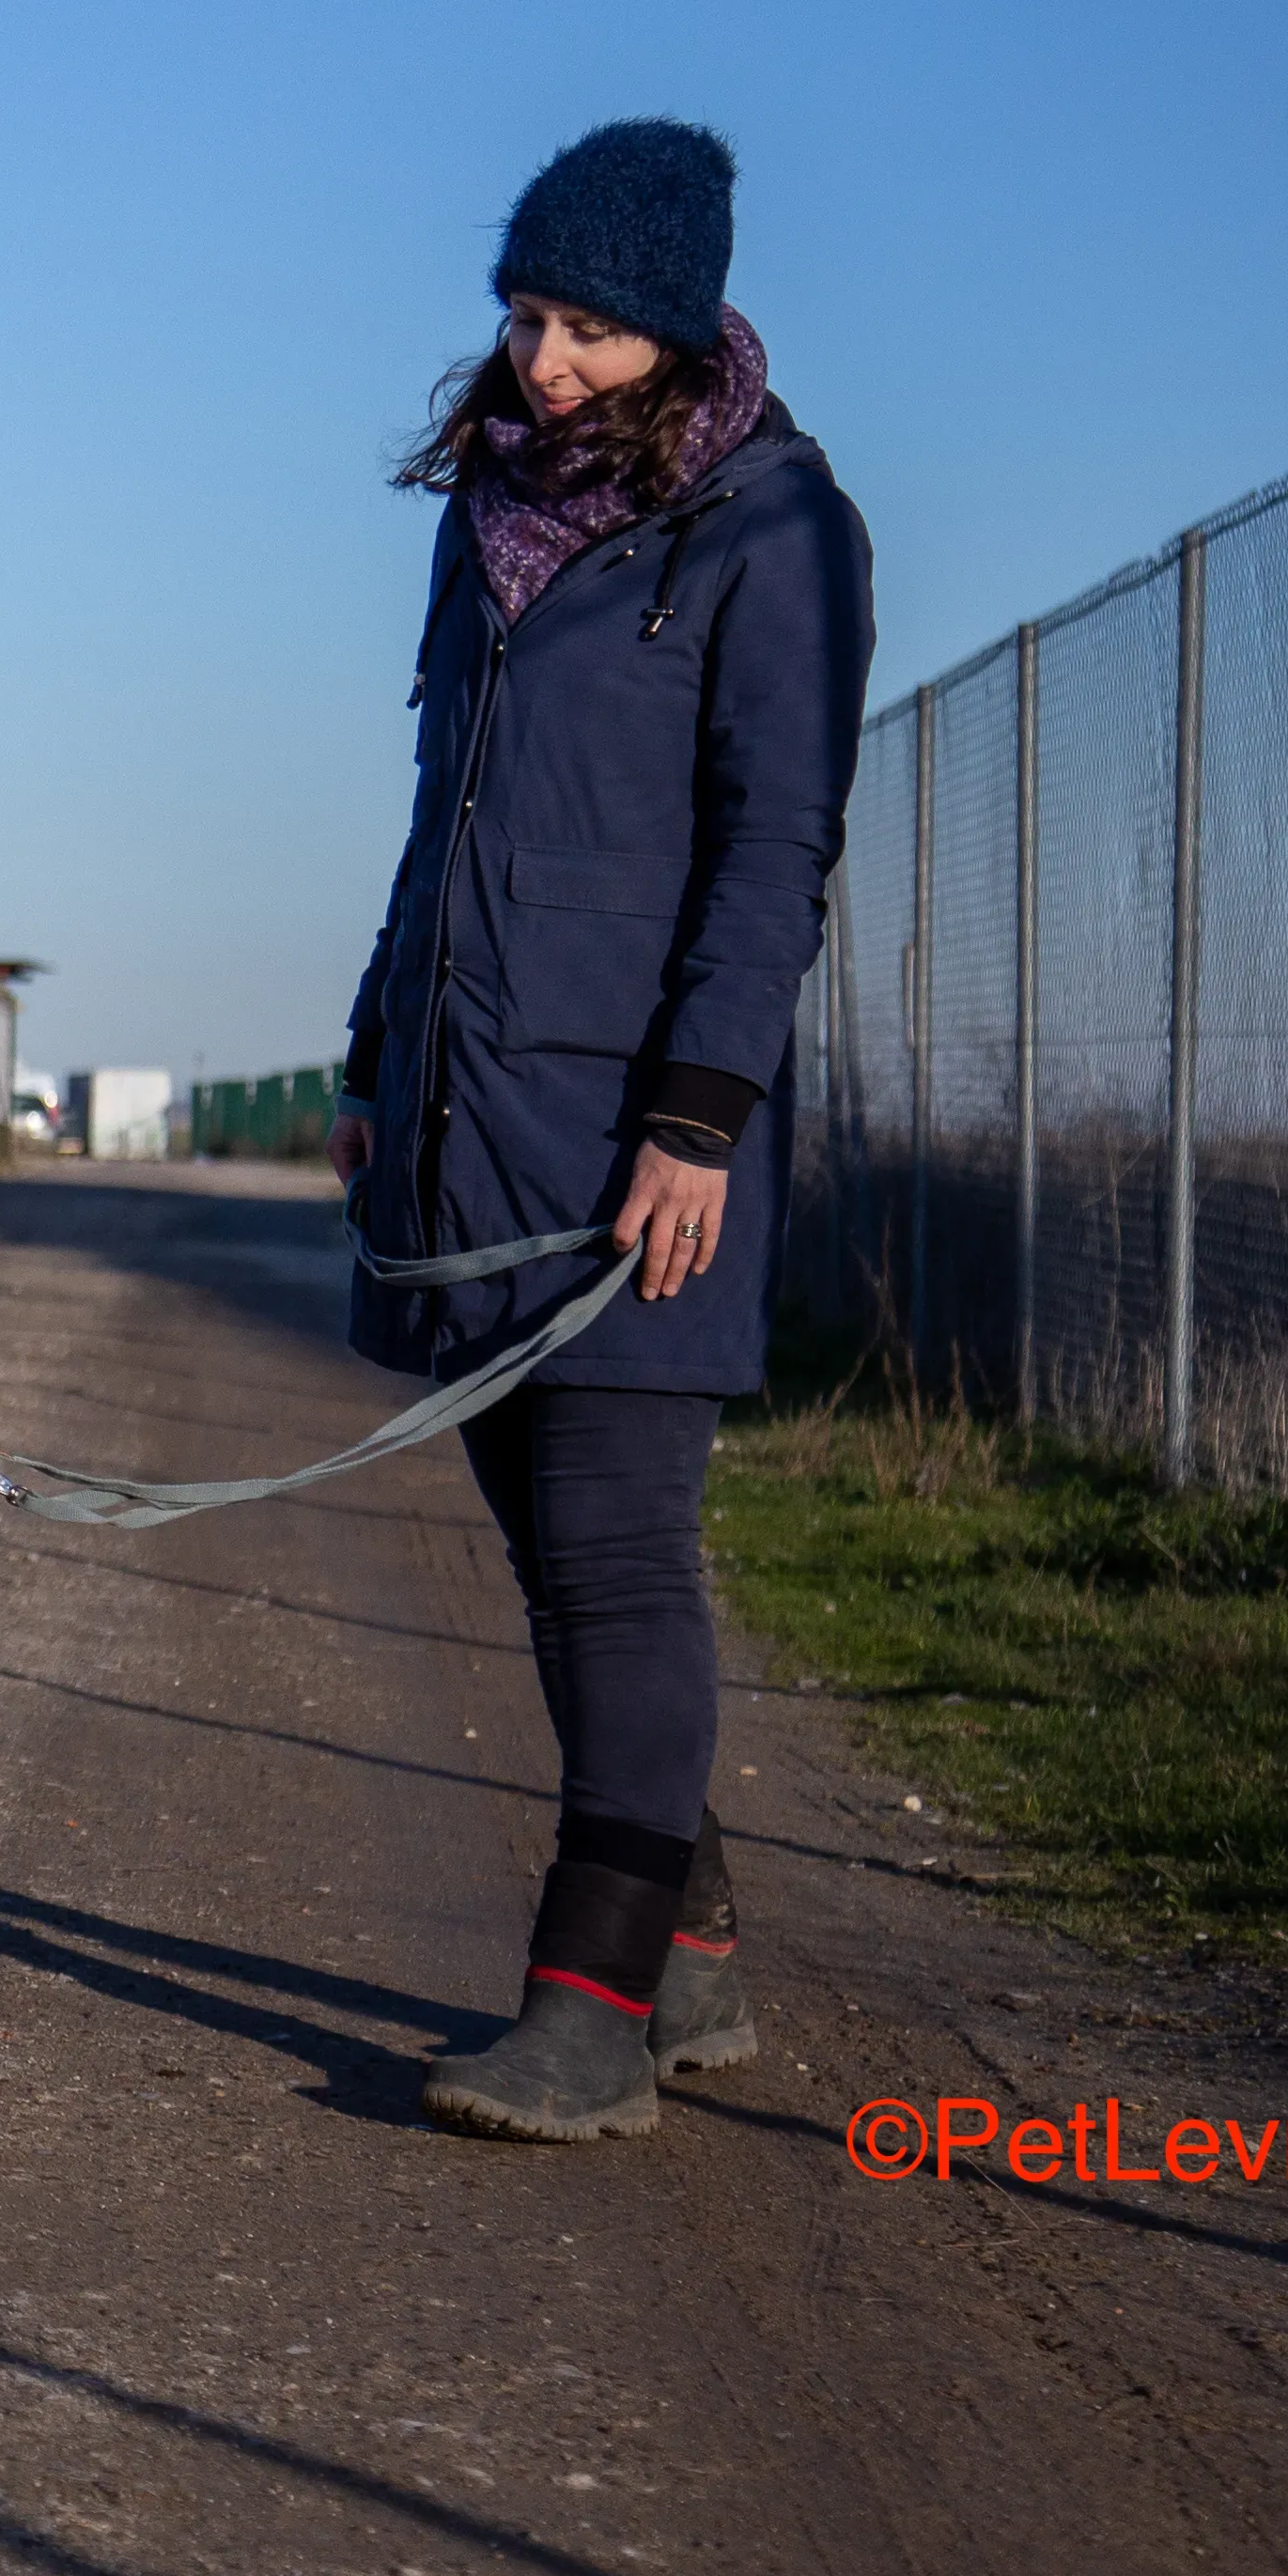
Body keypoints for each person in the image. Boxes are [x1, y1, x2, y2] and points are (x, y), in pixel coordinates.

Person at [332, 118, 874, 2143]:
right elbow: (440, 821)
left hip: (649, 1130)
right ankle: (692, 1935)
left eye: (585, 326)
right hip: (470, 1119)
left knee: (624, 1556)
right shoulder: (485, 512)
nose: (543, 359)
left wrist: (701, 1123)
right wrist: (376, 1065)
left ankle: (588, 2010)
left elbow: (777, 847)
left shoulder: (780, 530)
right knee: (547, 1555)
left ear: (675, 328)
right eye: (525, 313)